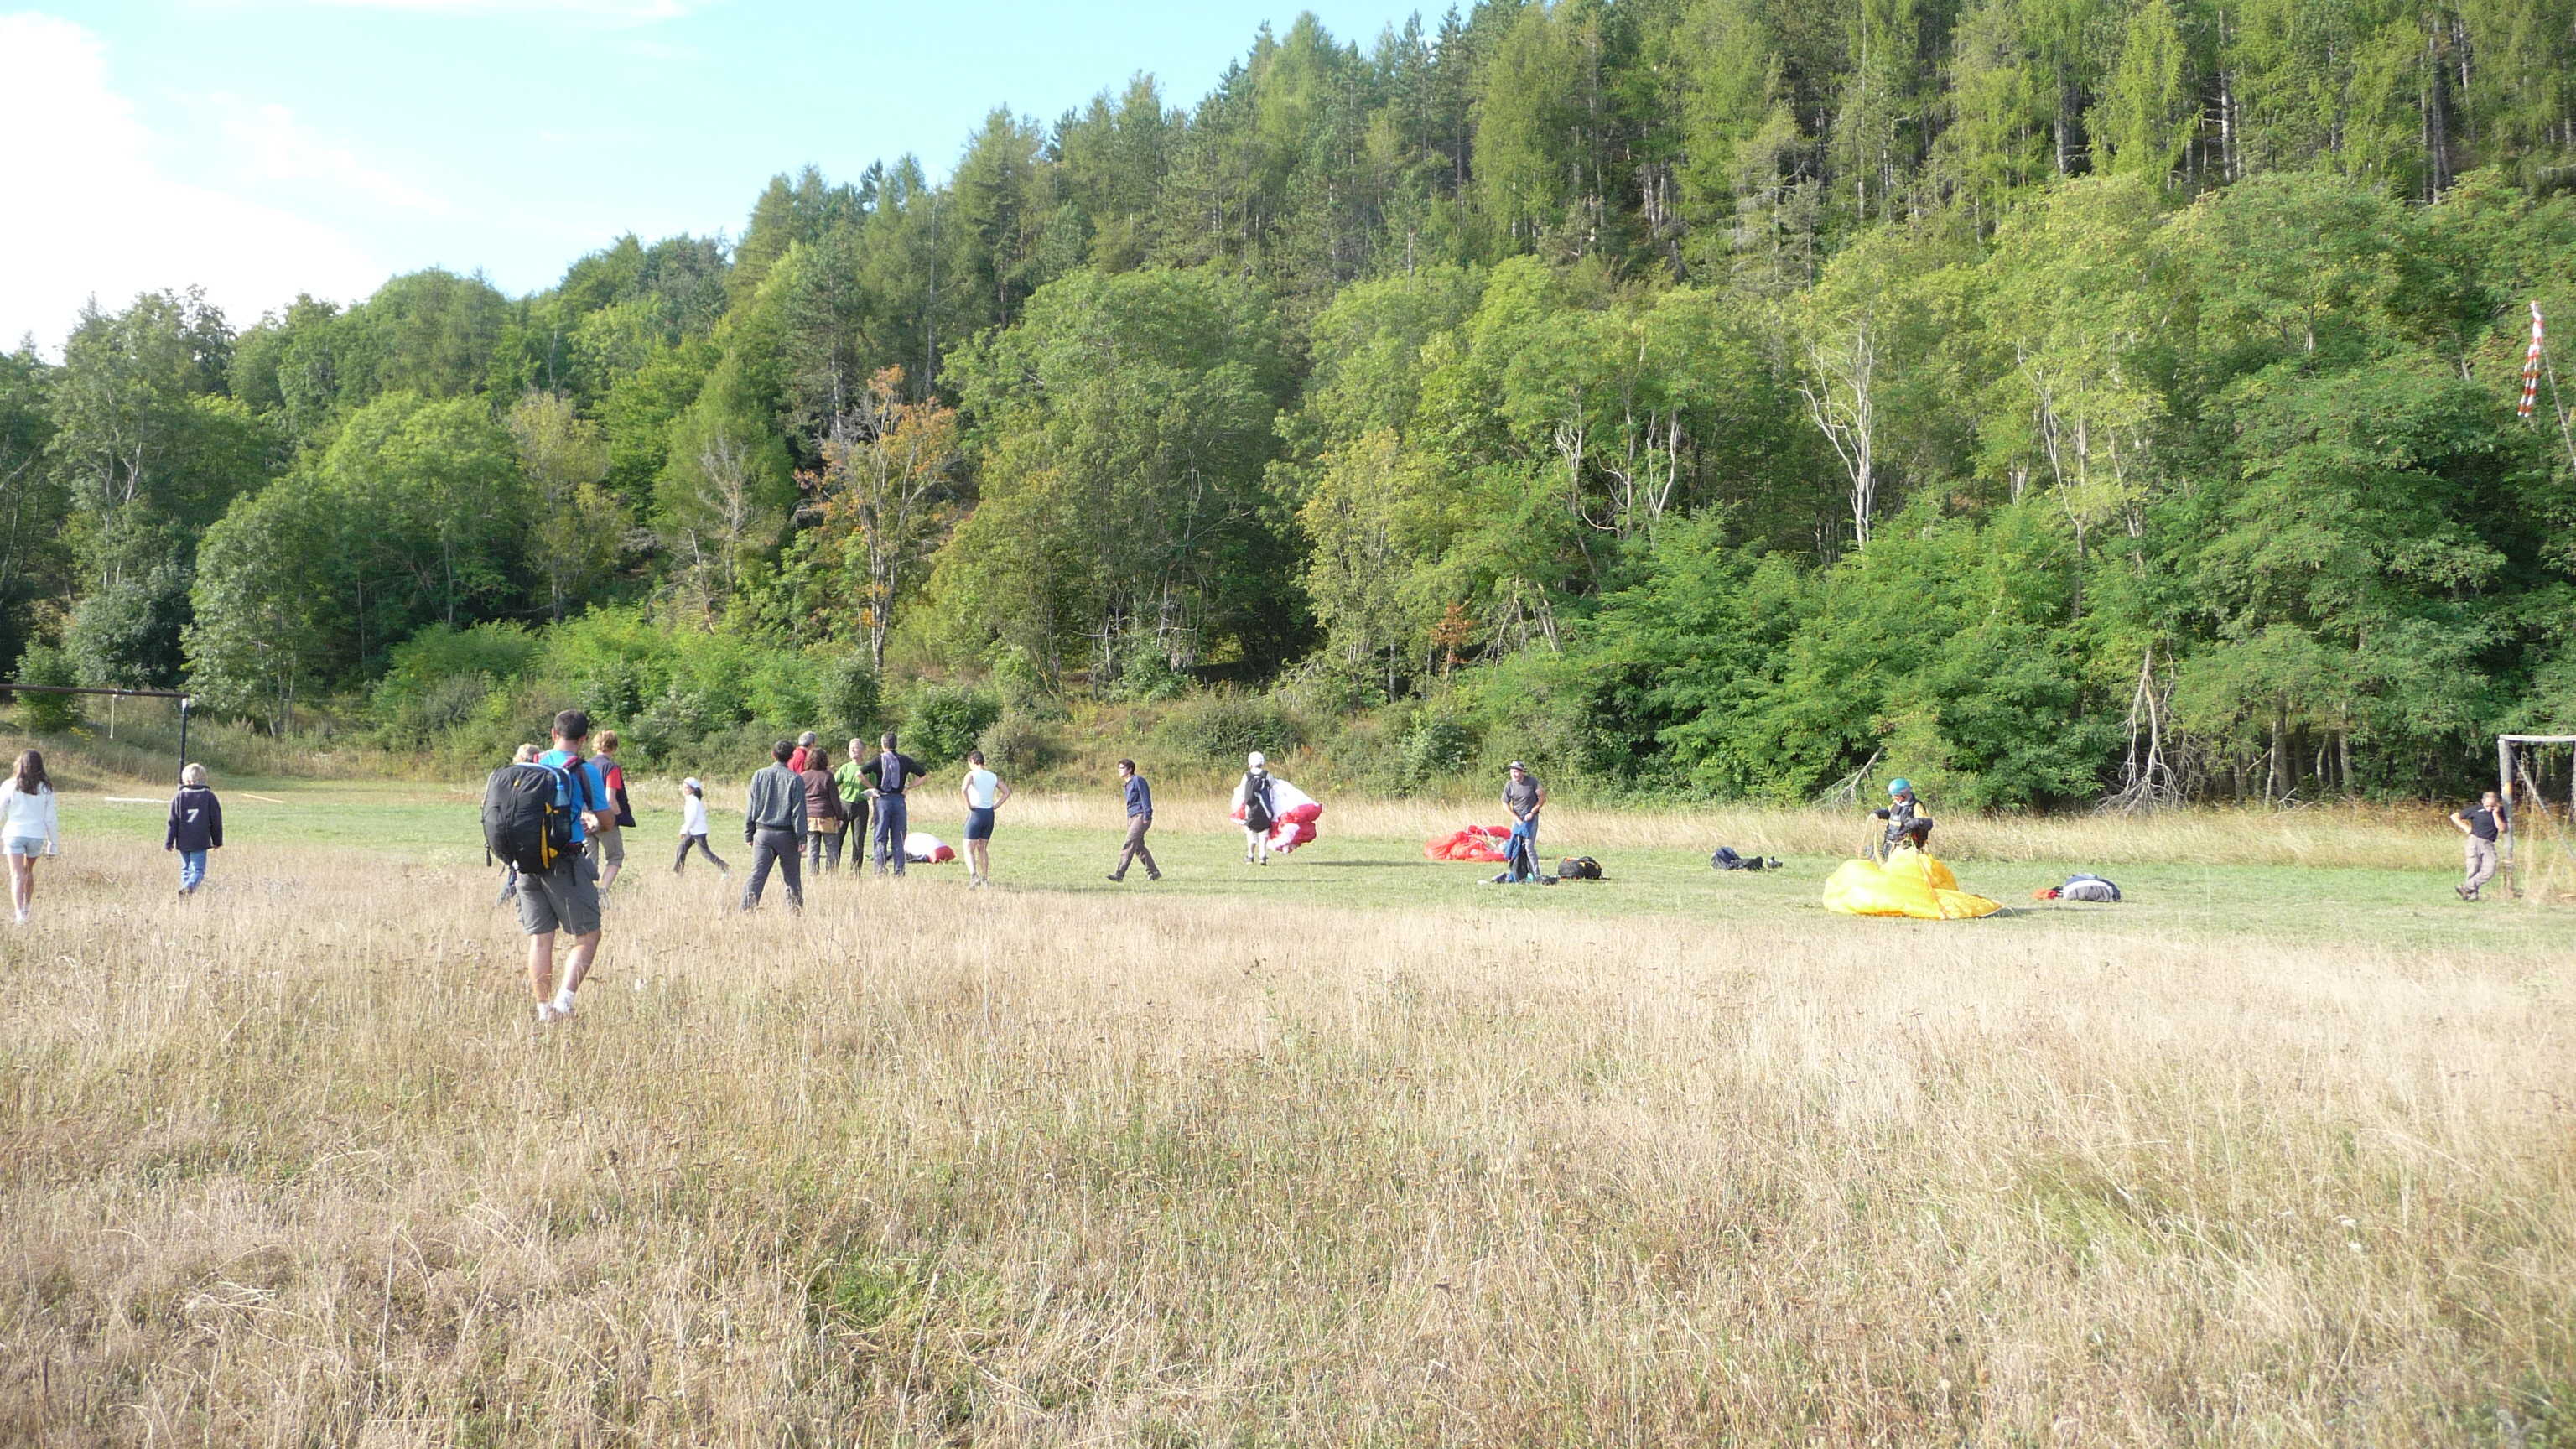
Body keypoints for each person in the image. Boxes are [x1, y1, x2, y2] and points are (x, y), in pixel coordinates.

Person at [528, 711, 610, 1024]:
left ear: (553, 733)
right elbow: (606, 820)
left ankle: (542, 1010)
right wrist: (590, 822)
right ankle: (564, 1005)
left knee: (540, 938)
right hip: (565, 860)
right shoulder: (585, 771)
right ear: (584, 739)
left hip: (528, 862)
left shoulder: (532, 763)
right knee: (588, 935)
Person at [742, 739, 808, 911]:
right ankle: (795, 913)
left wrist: (749, 833)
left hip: (763, 833)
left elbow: (751, 806)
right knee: (792, 878)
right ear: (791, 757)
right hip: (787, 835)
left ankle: (746, 909)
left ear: (773, 754)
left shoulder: (759, 775)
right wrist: (802, 837)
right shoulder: (795, 779)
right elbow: (799, 811)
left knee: (757, 874)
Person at [0, 749, 60, 925]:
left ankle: (19, 915)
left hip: (14, 833)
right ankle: (27, 907)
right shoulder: (45, 788)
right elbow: (51, 818)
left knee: (17, 875)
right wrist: (53, 843)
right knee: (28, 871)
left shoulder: (9, 785)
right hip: (36, 835)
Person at [863, 733, 926, 876]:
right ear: (895, 744)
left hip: (882, 800)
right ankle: (899, 871)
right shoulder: (905, 760)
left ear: (883, 744)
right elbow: (923, 775)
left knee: (880, 836)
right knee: (898, 837)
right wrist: (908, 787)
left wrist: (872, 788)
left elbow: (859, 774)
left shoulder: (878, 760)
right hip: (899, 800)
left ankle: (880, 870)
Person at [587, 729, 636, 892]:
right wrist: (619, 816)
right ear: (614, 747)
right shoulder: (611, 768)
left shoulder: (584, 766)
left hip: (585, 819)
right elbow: (610, 799)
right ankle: (602, 892)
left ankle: (586, 894)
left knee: (589, 862)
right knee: (615, 856)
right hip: (603, 819)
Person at [165, 762, 224, 896]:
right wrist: (217, 841)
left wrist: (169, 841)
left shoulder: (179, 797)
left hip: (183, 840)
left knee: (186, 869)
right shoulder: (209, 796)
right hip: (200, 840)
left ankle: (185, 890)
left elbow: (172, 821)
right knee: (198, 870)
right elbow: (216, 821)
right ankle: (189, 888)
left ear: (188, 781)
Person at [958, 750, 1012, 888]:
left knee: (968, 847)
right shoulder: (992, 776)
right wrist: (995, 806)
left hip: (976, 813)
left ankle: (973, 876)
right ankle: (985, 879)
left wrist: (969, 804)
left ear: (972, 761)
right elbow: (1006, 792)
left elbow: (963, 789)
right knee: (982, 848)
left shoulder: (971, 774)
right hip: (989, 814)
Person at [496, 743, 540, 906]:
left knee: (516, 870)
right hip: (526, 833)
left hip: (505, 832)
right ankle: (506, 903)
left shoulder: (505, 775)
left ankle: (506, 902)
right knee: (520, 873)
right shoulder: (537, 777)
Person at [2451, 788, 2511, 901]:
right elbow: (2454, 816)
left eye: (2492, 805)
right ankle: (2472, 895)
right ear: (2482, 802)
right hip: (2474, 841)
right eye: (2487, 805)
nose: (2489, 808)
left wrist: (2495, 813)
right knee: (2473, 867)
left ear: (2497, 803)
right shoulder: (2476, 809)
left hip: (2489, 843)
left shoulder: (2501, 812)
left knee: (2490, 869)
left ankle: (2465, 887)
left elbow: (2502, 828)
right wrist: (2466, 828)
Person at [1107, 758, 1160, 883]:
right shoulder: (1127, 784)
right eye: (1118, 768)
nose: (1119, 771)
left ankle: (1119, 874)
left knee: (1129, 843)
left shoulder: (1138, 780)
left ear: (1130, 769)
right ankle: (1154, 872)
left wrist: (1147, 816)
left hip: (1141, 816)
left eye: (1122, 768)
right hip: (1132, 817)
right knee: (1138, 847)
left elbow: (1145, 798)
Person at [800, 745, 847, 873]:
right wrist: (839, 817)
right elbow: (835, 799)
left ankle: (812, 875)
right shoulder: (828, 776)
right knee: (832, 849)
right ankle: (831, 875)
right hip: (827, 817)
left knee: (813, 849)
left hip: (809, 817)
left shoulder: (803, 776)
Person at [1502, 761, 1546, 884]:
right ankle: (1516, 873)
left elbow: (1542, 797)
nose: (1514, 774)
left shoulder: (1532, 782)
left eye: (1516, 771)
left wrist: (1532, 812)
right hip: (1517, 819)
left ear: (1522, 772)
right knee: (1514, 845)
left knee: (1528, 847)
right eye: (1512, 771)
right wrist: (1516, 818)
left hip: (1531, 819)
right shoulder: (1509, 785)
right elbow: (1505, 804)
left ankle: (1536, 875)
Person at [673, 776, 729, 875]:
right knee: (682, 848)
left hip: (698, 832)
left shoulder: (693, 801)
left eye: (686, 788)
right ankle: (678, 872)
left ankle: (724, 867)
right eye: (683, 787)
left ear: (693, 790)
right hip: (693, 831)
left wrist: (684, 830)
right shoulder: (691, 800)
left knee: (705, 853)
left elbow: (691, 818)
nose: (683, 790)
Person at [834, 737, 874, 862]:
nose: (852, 749)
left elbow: (874, 790)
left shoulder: (869, 768)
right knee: (837, 838)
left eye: (855, 747)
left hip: (861, 806)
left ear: (863, 750)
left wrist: (876, 811)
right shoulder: (845, 768)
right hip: (844, 805)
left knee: (858, 841)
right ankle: (833, 869)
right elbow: (832, 784)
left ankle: (855, 872)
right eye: (850, 747)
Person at [1233, 751, 1277, 865]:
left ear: (1250, 763)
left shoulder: (1247, 776)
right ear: (1262, 763)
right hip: (1265, 810)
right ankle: (1262, 856)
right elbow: (1275, 787)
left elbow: (1242, 793)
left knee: (1251, 832)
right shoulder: (1266, 775)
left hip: (1250, 810)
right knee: (1264, 833)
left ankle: (1250, 856)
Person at [1872, 778, 1921, 861]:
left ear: (1904, 794)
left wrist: (1914, 824)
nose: (1893, 797)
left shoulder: (1916, 806)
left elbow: (1926, 823)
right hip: (1889, 845)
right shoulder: (1896, 805)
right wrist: (1877, 813)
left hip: (1905, 847)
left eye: (1895, 795)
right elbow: (1889, 813)